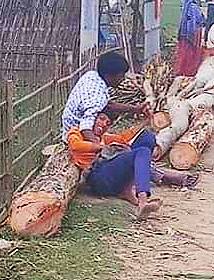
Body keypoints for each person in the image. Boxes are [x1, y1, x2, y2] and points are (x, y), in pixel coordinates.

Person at [67, 113, 199, 219]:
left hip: (110, 174)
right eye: (101, 119)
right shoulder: (77, 131)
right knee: (141, 152)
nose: (103, 124)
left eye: (107, 123)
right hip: (97, 178)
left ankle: (128, 190)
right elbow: (75, 145)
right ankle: (143, 201)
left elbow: (125, 138)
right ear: (91, 119)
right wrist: (99, 147)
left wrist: (146, 121)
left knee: (147, 138)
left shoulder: (104, 137)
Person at [61, 52, 150, 144]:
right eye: (121, 76)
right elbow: (85, 129)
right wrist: (101, 149)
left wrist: (136, 109)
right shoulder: (97, 98)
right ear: (109, 76)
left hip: (70, 127)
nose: (123, 79)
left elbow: (108, 105)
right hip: (76, 136)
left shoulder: (91, 75)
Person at [174, 0, 205, 76]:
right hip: (192, 35)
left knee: (184, 53)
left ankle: (181, 71)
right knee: (190, 54)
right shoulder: (193, 7)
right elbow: (200, 20)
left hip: (184, 34)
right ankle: (188, 72)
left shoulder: (185, 6)